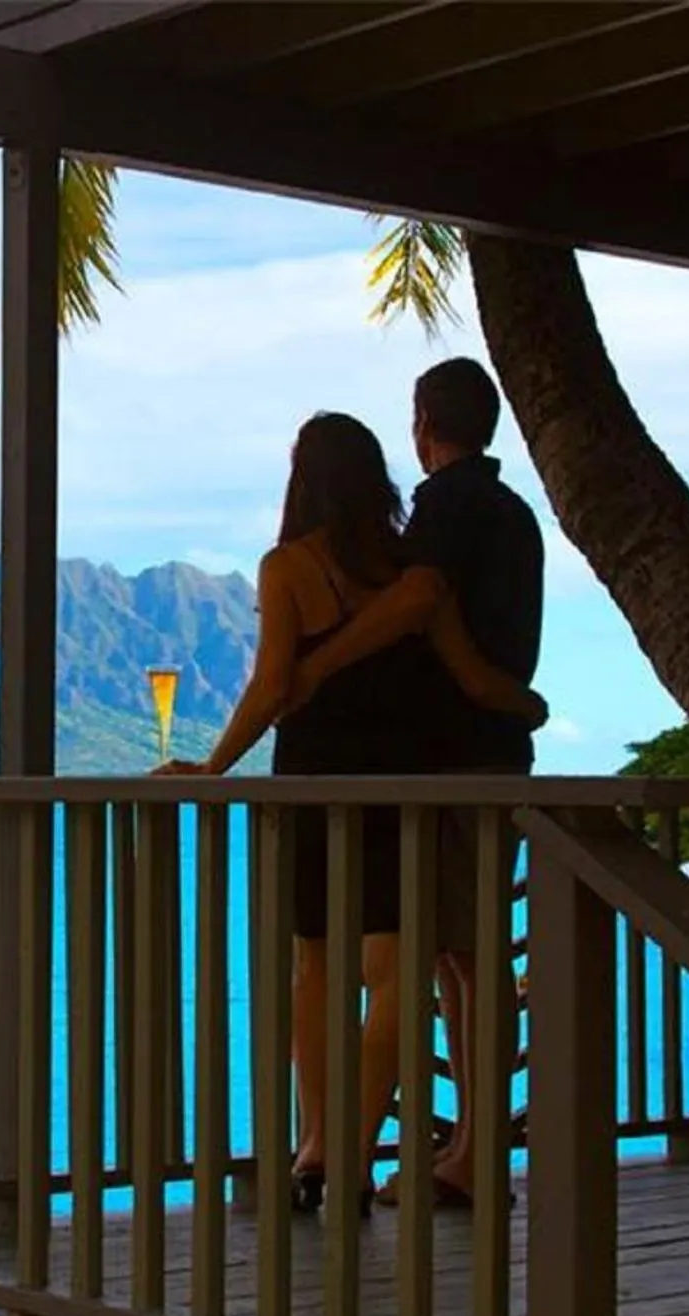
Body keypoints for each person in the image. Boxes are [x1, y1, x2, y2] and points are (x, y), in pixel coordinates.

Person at [158, 411, 544, 1216]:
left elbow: (273, 686)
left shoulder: (289, 568)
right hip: (400, 791)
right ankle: (347, 1145)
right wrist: (528, 707)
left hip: (314, 783)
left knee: (317, 971)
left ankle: (323, 1150)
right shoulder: (413, 573)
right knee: (401, 977)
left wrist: (214, 765)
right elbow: (472, 678)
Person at [282, 357, 546, 1208]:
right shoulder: (512, 512)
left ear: (424, 421)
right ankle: (472, 1148)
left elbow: (420, 599)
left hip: (458, 757)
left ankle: (445, 1154)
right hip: (494, 751)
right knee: (467, 959)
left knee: (462, 958)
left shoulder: (450, 503)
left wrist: (314, 665)